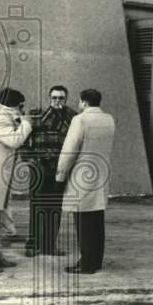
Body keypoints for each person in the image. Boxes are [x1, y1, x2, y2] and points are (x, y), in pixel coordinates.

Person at [56, 88, 114, 274]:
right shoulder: (109, 119)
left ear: (84, 102)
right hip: (101, 173)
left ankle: (87, 264)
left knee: (83, 222)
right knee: (97, 220)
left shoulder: (79, 119)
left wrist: (60, 176)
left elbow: (69, 151)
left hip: (81, 175)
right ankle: (95, 260)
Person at [22, 85, 77, 257]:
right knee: (37, 207)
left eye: (61, 98)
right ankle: (32, 245)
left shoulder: (73, 118)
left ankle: (49, 246)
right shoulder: (37, 116)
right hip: (39, 167)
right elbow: (23, 139)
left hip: (59, 169)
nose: (57, 101)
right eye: (54, 98)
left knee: (54, 208)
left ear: (66, 99)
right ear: (49, 98)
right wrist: (28, 158)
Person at [0, 88, 33, 273]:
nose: (21, 109)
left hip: (0, 177)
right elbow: (15, 140)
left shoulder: (3, 116)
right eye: (20, 105)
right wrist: (27, 123)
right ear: (12, 103)